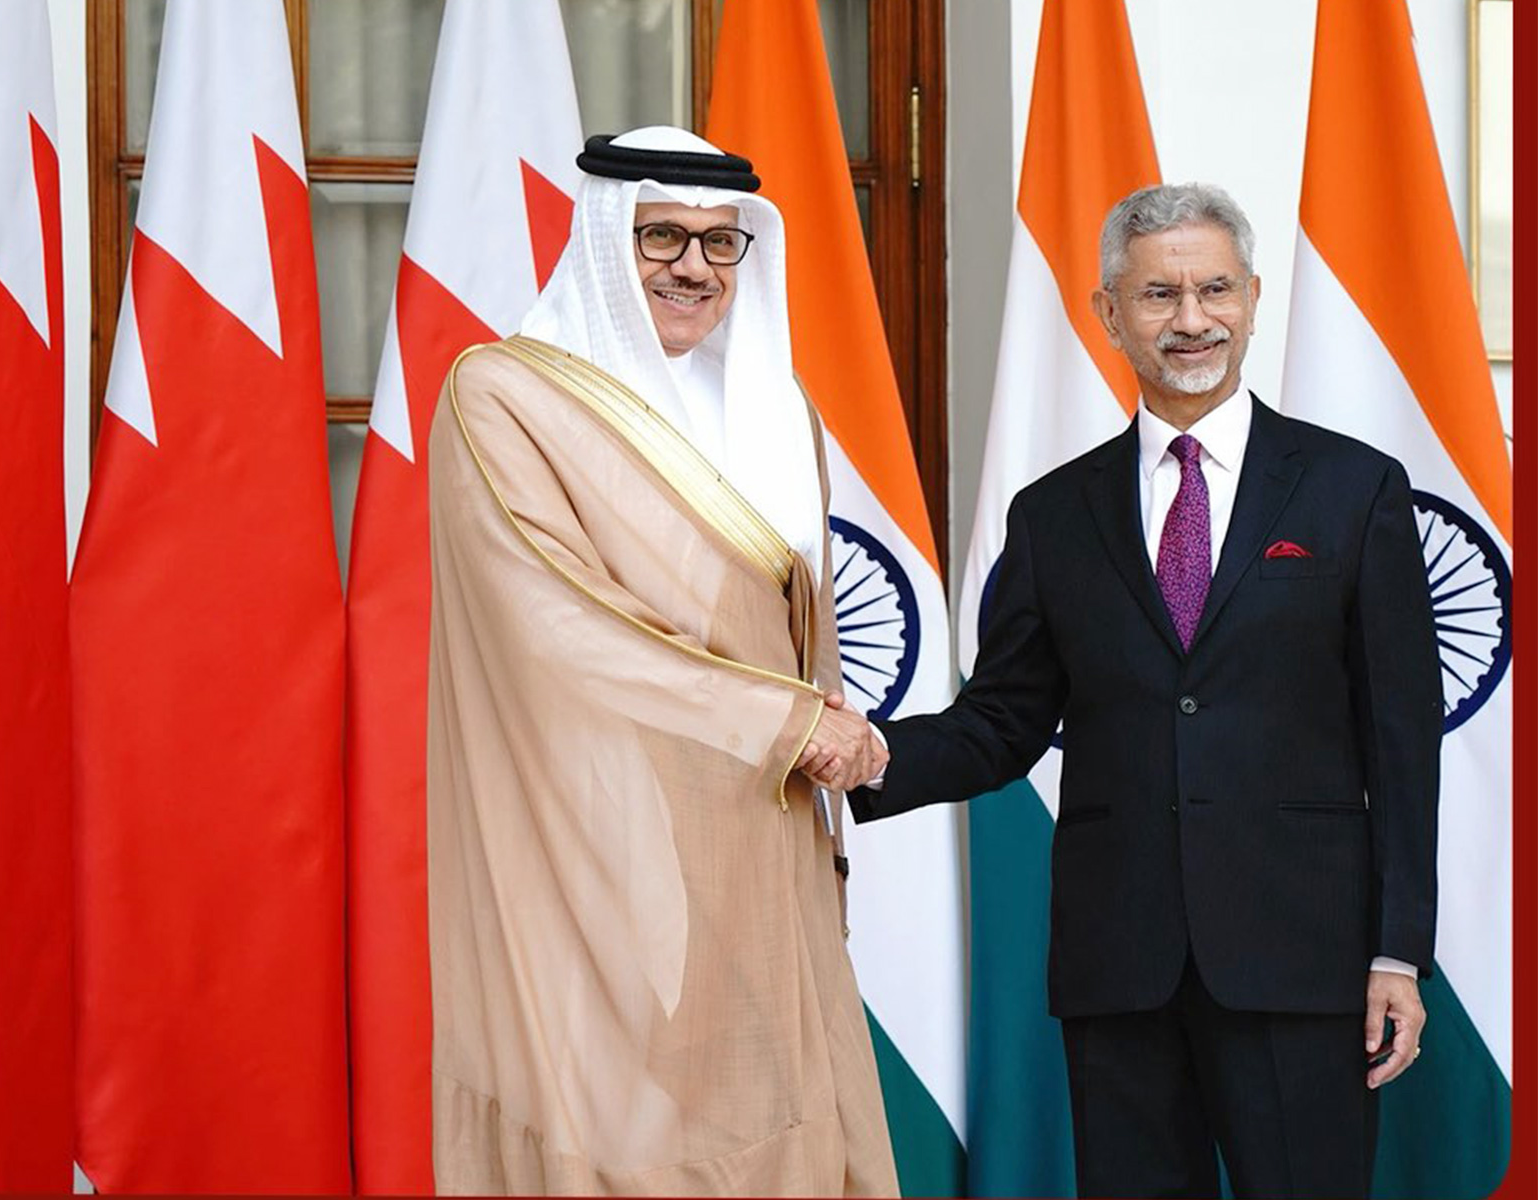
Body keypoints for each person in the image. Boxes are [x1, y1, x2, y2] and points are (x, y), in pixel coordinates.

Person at [833, 183, 1442, 1199]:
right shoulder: (1054, 514)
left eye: (1213, 290)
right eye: (1158, 295)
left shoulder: (1354, 488)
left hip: (1303, 961)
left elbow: (1401, 742)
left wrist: (1398, 954)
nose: (1191, 320)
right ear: (1107, 313)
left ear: (1252, 297)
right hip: (1122, 964)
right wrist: (867, 752)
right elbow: (1001, 722)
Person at [423, 126, 899, 1197]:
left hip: (764, 829)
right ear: (602, 238)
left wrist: (827, 725)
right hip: (593, 834)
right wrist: (790, 725)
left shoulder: (778, 414)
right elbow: (549, 628)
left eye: (721, 244)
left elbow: (791, 634)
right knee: (622, 1130)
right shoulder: (502, 396)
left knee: (785, 1112)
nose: (694, 266)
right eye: (661, 236)